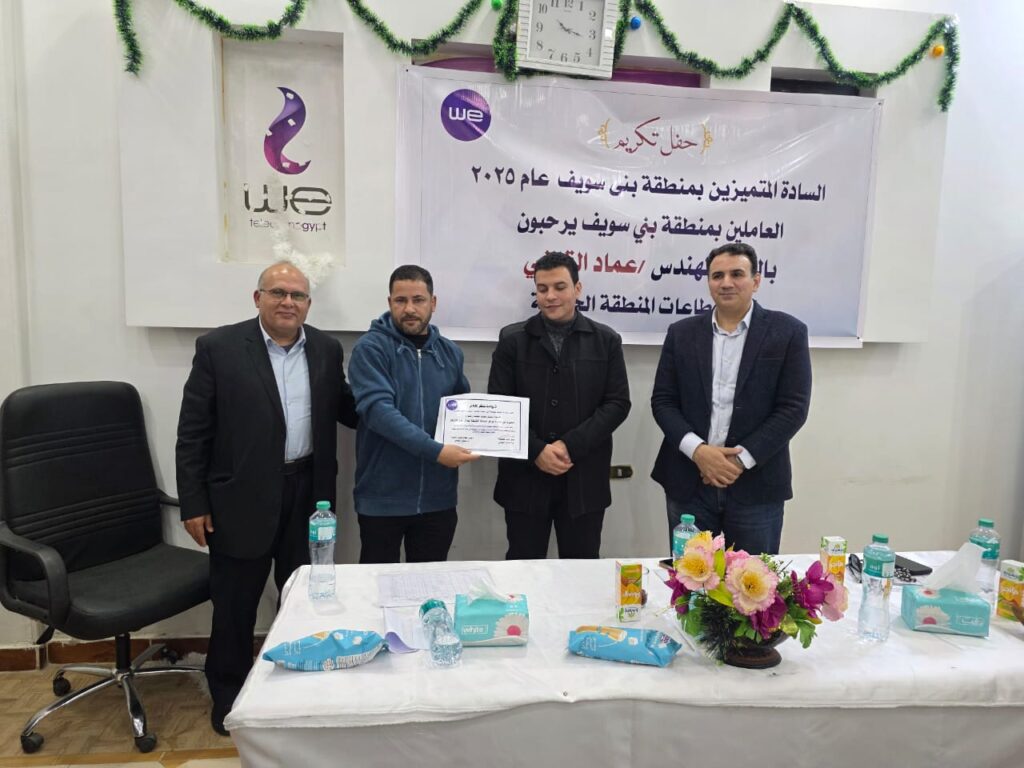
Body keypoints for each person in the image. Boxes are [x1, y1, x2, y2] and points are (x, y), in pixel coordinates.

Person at [175, 261, 357, 736]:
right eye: (278, 292)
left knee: (302, 599)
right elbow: (193, 432)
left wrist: (402, 408)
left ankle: (292, 691)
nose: (287, 302)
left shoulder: (325, 349)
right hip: (241, 499)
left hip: (309, 495)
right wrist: (193, 502)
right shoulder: (218, 348)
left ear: (309, 304)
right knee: (235, 606)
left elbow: (348, 408)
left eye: (297, 295)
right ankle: (229, 698)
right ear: (258, 298)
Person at [651, 242, 811, 555]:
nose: (726, 283)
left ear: (756, 280)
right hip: (689, 482)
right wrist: (698, 452)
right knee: (690, 580)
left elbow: (793, 409)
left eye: (737, 274)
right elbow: (663, 401)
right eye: (717, 275)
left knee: (754, 581)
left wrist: (738, 461)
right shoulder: (681, 333)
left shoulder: (788, 332)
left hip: (757, 485)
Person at [488, 251, 631, 559]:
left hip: (584, 481)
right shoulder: (512, 340)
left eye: (559, 287)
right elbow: (500, 407)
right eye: (542, 289)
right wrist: (537, 450)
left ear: (577, 289)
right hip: (524, 480)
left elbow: (617, 404)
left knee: (582, 570)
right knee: (523, 570)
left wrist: (569, 446)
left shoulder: (606, 340)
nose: (550, 296)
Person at [347, 265, 478, 563]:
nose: (409, 309)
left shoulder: (450, 352)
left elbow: (461, 410)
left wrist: (489, 433)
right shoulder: (370, 348)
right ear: (389, 302)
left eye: (418, 300)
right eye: (400, 300)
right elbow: (378, 412)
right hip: (382, 499)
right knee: (378, 584)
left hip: (438, 500)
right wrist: (436, 451)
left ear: (433, 302)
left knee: (431, 586)